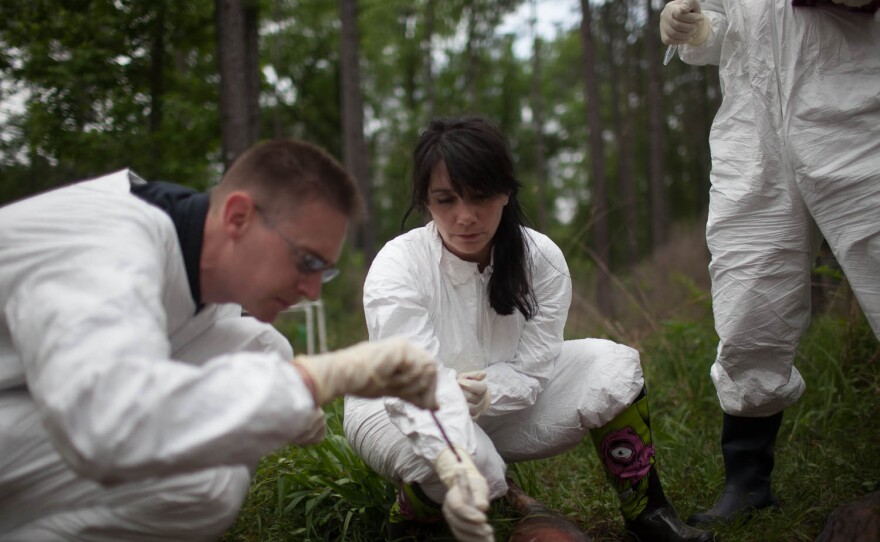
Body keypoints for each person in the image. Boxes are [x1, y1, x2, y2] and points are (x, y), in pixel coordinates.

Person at [0, 138, 440, 541]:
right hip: (80, 420)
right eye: (306, 261)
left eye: (323, 270)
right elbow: (104, 422)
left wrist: (285, 392)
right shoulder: (110, 246)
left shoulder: (191, 270)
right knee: (204, 481)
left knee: (266, 350)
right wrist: (312, 380)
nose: (312, 290)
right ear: (237, 216)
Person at [342, 116, 715, 542]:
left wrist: (484, 394)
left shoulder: (543, 260)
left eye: (479, 196)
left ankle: (648, 512)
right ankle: (413, 517)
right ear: (426, 202)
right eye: (446, 200)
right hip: (394, 410)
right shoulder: (399, 264)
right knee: (461, 455)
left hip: (501, 402)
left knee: (611, 366)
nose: (464, 217)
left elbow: (534, 372)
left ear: (505, 192)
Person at [660, 0, 880, 527]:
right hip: (751, 123)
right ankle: (748, 481)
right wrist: (689, 25)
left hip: (852, 106)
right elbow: (721, 26)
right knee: (749, 293)